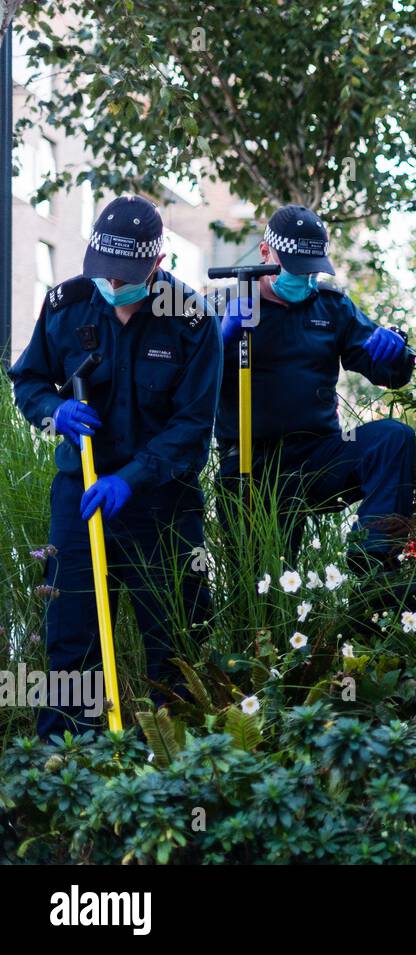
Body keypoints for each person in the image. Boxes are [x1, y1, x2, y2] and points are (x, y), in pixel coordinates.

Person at [9, 195, 220, 737]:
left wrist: (131, 478)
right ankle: (64, 762)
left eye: (126, 275)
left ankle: (171, 756)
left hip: (162, 505)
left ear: (157, 263)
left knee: (173, 633)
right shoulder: (67, 304)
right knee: (71, 635)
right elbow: (28, 381)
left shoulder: (192, 321)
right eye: (105, 272)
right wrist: (55, 410)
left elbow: (193, 430)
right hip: (79, 496)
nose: (113, 285)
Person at [214, 204, 416, 580]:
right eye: (295, 267)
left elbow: (387, 372)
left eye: (313, 269)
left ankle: (375, 563)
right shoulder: (225, 305)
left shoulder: (332, 307)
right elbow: (188, 381)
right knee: (267, 589)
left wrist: (396, 352)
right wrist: (219, 338)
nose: (305, 278)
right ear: (266, 254)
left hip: (316, 457)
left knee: (394, 438)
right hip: (249, 465)